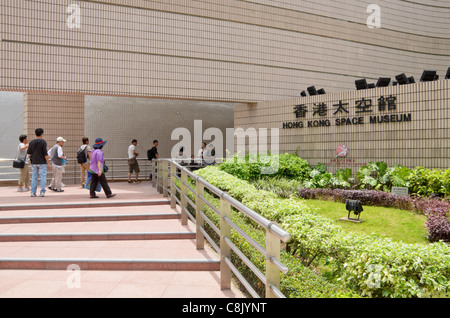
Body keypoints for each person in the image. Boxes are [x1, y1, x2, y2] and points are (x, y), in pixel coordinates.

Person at [27, 128, 50, 197]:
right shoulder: (43, 142)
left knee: (34, 177)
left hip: (34, 162)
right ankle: (42, 192)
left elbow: (29, 153)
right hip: (42, 162)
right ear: (42, 134)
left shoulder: (31, 142)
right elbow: (45, 154)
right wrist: (48, 162)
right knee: (43, 177)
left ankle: (33, 192)